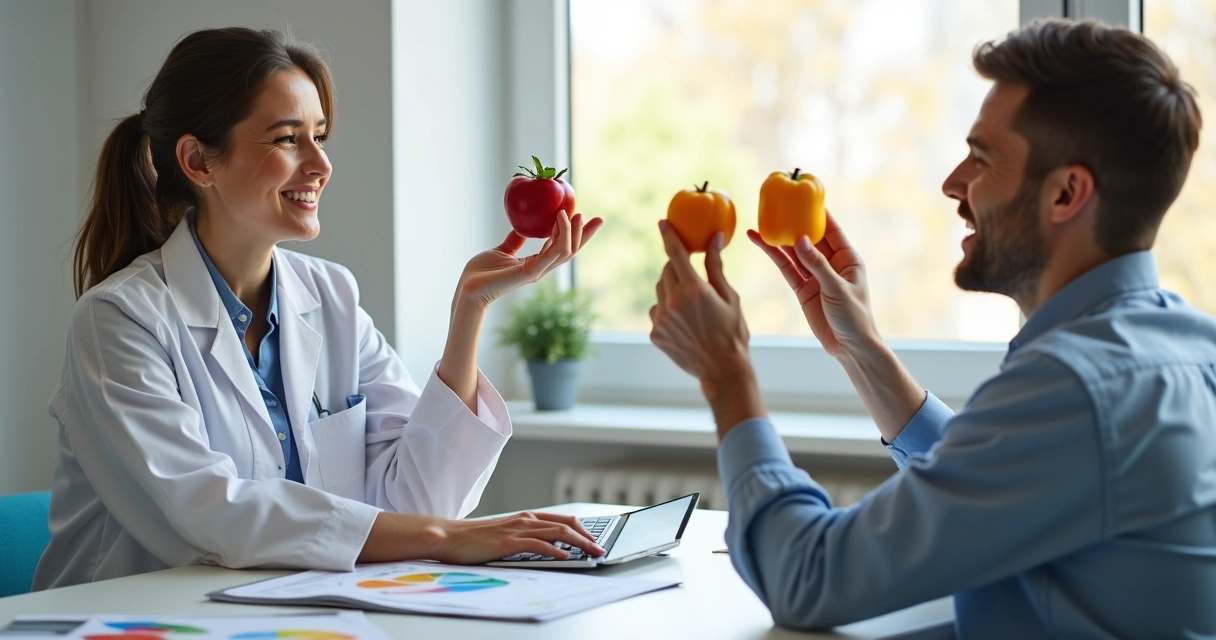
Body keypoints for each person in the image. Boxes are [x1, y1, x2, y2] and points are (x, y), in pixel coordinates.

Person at [648, 19, 1214, 638]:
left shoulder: (1076, 386)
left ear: (1066, 194)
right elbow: (1005, 472)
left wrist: (727, 373)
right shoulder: (1182, 348)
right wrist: (861, 349)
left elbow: (806, 578)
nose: (953, 184)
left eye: (982, 158)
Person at [34, 27, 605, 590]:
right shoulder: (118, 320)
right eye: (287, 139)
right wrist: (443, 536)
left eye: (320, 136)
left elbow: (419, 498)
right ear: (198, 161)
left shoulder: (332, 297)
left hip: (286, 613)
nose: (320, 164)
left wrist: (468, 314)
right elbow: (209, 514)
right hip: (133, 619)